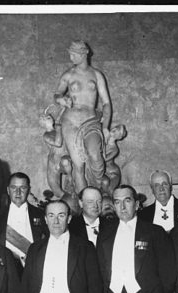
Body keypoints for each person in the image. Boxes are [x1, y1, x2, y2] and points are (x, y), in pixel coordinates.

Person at [54, 40, 111, 194]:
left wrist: (105, 127)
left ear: (83, 54)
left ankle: (97, 193)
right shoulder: (68, 75)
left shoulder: (97, 75)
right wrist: (61, 99)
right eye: (70, 54)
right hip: (71, 121)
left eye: (73, 54)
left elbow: (106, 103)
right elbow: (57, 93)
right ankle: (83, 201)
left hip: (91, 120)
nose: (71, 58)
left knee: (95, 154)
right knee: (78, 165)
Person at [102, 124, 127, 194]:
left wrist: (103, 144)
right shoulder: (102, 139)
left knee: (111, 192)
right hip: (102, 171)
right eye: (113, 130)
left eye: (115, 131)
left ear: (117, 136)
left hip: (112, 173)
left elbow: (104, 159)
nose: (113, 131)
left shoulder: (114, 149)